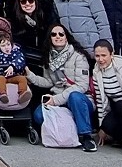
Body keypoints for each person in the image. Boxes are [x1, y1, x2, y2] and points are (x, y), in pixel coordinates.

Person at [26, 23, 97, 152]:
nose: (57, 37)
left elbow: (82, 85)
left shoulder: (78, 56)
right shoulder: (48, 57)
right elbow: (48, 82)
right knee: (38, 115)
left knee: (74, 97)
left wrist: (57, 99)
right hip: (59, 98)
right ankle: (67, 133)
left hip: (80, 99)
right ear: (50, 38)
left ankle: (86, 136)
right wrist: (29, 75)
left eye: (61, 34)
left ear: (66, 37)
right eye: (54, 34)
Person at [0, 32, 29, 104]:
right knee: (0, 79)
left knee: (22, 79)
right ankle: (3, 95)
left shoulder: (16, 52)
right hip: (1, 75)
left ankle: (22, 95)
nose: (7, 47)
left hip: (14, 76)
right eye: (3, 46)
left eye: (8, 44)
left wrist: (13, 66)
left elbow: (21, 60)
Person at [8, 0, 49, 72]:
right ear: (19, 4)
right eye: (23, 2)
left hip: (44, 60)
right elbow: (18, 46)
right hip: (26, 61)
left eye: (30, 1)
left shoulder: (44, 17)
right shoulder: (15, 22)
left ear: (35, 2)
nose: (27, 4)